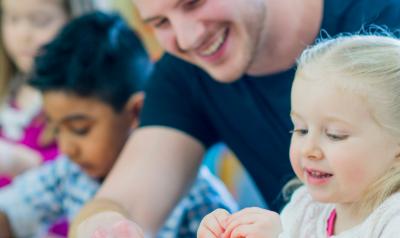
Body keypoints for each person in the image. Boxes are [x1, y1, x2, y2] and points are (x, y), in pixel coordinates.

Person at [72, 0, 400, 237]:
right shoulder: (186, 70)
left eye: (194, 3)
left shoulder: (387, 28)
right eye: (160, 23)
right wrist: (104, 229)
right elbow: (120, 202)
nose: (186, 39)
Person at [0, 11, 237, 238]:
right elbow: (10, 213)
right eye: (56, 129)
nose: (67, 147)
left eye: (79, 129)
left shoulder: (199, 201)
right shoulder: (69, 174)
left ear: (136, 111)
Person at [198, 34, 400, 237]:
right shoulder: (306, 206)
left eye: (334, 135)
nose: (309, 150)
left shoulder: (393, 219)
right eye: (301, 130)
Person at [0, 0, 106, 187]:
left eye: (41, 21)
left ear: (76, 21)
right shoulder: (9, 90)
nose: (22, 35)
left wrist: (17, 161)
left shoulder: (88, 100)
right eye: (13, 19)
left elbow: (80, 180)